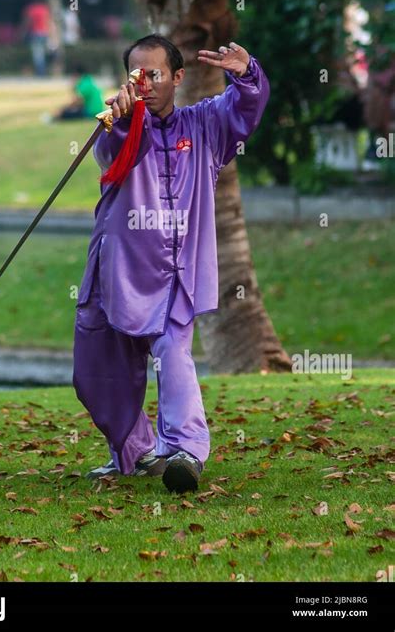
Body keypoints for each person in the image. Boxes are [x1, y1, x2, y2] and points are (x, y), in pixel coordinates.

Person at [72, 34, 269, 494]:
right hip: (115, 271)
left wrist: (246, 74)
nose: (144, 84)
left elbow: (244, 111)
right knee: (93, 373)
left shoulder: (204, 125)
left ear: (177, 78)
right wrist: (122, 120)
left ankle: (185, 449)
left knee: (172, 351)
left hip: (174, 272)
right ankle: (140, 451)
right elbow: (116, 159)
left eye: (154, 74)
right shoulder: (116, 125)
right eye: (135, 76)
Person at [21, 0, 51, 76]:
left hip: (35, 34)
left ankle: (40, 72)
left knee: (37, 54)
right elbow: (48, 21)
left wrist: (23, 33)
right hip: (44, 33)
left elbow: (27, 22)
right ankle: (45, 71)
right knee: (44, 53)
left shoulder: (31, 9)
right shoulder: (44, 8)